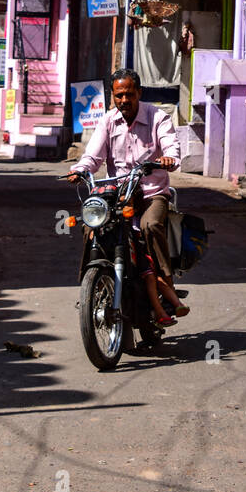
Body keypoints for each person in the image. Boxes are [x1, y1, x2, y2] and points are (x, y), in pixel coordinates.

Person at [67, 68, 188, 327]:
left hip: (151, 194)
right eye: (119, 95)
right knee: (91, 226)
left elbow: (172, 149)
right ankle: (90, 287)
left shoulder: (158, 118)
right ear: (112, 96)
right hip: (119, 196)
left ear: (139, 93)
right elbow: (93, 156)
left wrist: (168, 159)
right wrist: (80, 170)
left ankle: (167, 285)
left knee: (150, 225)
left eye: (129, 94)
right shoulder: (108, 121)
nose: (124, 100)